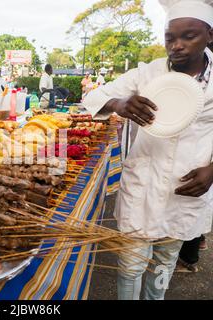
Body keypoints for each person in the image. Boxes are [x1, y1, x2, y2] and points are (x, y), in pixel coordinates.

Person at [83, 0, 213, 300]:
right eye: (170, 38)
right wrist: (119, 104)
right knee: (131, 265)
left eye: (188, 36)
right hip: (143, 185)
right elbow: (94, 96)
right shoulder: (149, 73)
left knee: (165, 263)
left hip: (187, 186)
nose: (176, 46)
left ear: (210, 35)